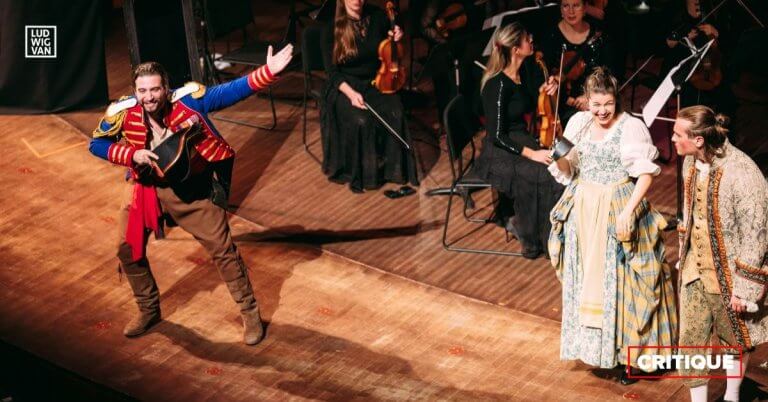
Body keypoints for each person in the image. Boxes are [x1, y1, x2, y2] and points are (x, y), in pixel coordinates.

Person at [88, 45, 294, 345]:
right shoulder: (123, 111)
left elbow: (229, 92)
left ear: (166, 88)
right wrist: (131, 155)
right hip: (144, 188)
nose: (149, 97)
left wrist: (268, 72)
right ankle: (148, 309)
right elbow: (96, 144)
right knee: (127, 249)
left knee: (223, 250)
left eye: (155, 89)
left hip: (190, 190)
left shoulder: (189, 101)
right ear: (135, 91)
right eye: (142, 91)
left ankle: (250, 312)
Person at [548, 67, 677, 384]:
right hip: (583, 207)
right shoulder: (579, 123)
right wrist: (558, 153)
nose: (602, 111)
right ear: (587, 101)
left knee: (623, 285)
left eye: (607, 104)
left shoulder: (630, 127)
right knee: (585, 280)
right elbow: (569, 170)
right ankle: (596, 350)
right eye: (596, 104)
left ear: (615, 100)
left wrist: (627, 211)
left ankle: (631, 357)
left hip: (617, 205)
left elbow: (645, 174)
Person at [672, 106, 768, 402]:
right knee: (690, 341)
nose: (672, 139)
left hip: (728, 276)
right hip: (694, 269)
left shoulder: (743, 172)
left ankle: (732, 397)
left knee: (734, 340)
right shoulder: (690, 162)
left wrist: (745, 289)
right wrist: (684, 250)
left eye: (677, 134)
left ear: (698, 139)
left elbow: (757, 232)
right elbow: (690, 211)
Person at [474, 22, 563, 259]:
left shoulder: (522, 74)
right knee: (544, 175)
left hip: (520, 140)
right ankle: (533, 238)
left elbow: (529, 102)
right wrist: (533, 154)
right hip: (499, 152)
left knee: (557, 169)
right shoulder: (497, 85)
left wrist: (546, 90)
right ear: (515, 49)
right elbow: (497, 136)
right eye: (526, 39)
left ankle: (550, 234)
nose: (531, 41)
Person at [320, 0, 419, 193]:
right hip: (345, 87)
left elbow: (392, 43)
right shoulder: (330, 29)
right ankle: (367, 174)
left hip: (376, 81)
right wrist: (351, 94)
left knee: (396, 111)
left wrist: (397, 35)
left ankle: (392, 169)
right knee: (362, 120)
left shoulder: (378, 17)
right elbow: (332, 73)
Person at [540, 0, 618, 126]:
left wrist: (591, 98)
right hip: (564, 108)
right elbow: (544, 81)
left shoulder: (599, 35)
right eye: (566, 6)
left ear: (585, 7)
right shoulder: (551, 37)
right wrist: (573, 101)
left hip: (598, 101)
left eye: (576, 5)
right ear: (560, 9)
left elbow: (610, 74)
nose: (571, 11)